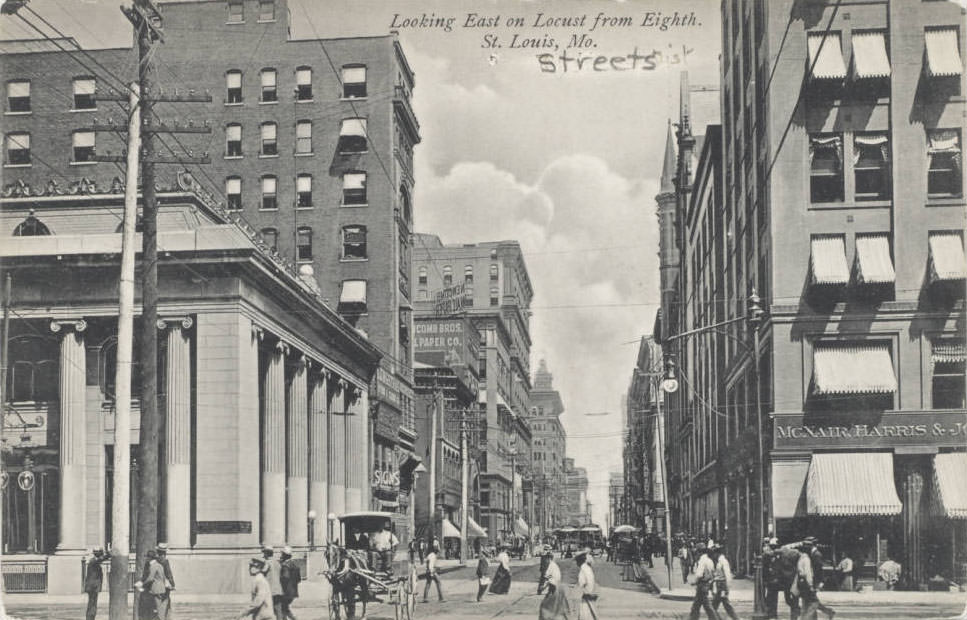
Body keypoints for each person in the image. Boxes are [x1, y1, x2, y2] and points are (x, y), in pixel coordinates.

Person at [802, 538, 835, 620]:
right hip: (813, 580)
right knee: (811, 600)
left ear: (812, 545)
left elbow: (818, 569)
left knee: (812, 600)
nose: (806, 547)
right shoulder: (812, 553)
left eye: (807, 545)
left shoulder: (816, 554)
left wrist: (819, 582)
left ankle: (827, 612)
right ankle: (827, 612)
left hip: (814, 581)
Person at [687, 542, 717, 620]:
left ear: (699, 552)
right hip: (707, 584)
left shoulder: (702, 561)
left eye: (697, 552)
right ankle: (693, 618)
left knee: (706, 606)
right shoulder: (709, 560)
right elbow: (713, 573)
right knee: (696, 605)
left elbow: (699, 574)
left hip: (702, 585)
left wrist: (695, 581)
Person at [539, 547, 569, 620]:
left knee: (545, 607)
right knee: (558, 608)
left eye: (545, 559)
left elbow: (550, 580)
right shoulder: (553, 565)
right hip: (558, 588)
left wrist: (543, 587)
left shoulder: (551, 566)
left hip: (554, 589)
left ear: (549, 558)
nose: (544, 560)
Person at [710, 543, 739, 620]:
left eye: (714, 553)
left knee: (721, 605)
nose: (713, 555)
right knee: (716, 605)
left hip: (722, 586)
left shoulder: (723, 561)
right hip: (719, 585)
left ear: (717, 553)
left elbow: (727, 575)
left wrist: (727, 588)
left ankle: (735, 618)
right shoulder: (718, 561)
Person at [142, 549, 170, 620]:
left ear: (149, 558)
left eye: (147, 557)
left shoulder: (153, 566)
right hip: (161, 589)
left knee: (158, 608)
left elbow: (150, 578)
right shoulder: (159, 565)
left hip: (156, 590)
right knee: (159, 607)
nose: (146, 559)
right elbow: (163, 577)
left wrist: (143, 583)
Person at [84, 547, 111, 620]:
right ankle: (90, 618)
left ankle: (91, 617)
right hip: (93, 587)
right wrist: (109, 553)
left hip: (92, 586)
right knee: (92, 604)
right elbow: (102, 559)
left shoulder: (93, 561)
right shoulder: (94, 561)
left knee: (92, 604)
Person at [261, 544, 284, 620]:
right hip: (278, 589)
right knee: (278, 610)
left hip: (269, 590)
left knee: (265, 609)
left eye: (264, 552)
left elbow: (262, 572)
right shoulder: (277, 563)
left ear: (267, 553)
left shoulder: (267, 563)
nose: (263, 554)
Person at [575, 548, 597, 620]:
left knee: (584, 616)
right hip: (591, 595)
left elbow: (581, 584)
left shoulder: (582, 570)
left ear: (579, 561)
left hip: (586, 597)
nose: (576, 563)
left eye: (576, 560)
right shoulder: (588, 568)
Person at [279, 546, 300, 620]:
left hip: (286, 592)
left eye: (282, 554)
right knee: (285, 608)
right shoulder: (295, 564)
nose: (281, 556)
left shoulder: (286, 565)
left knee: (282, 609)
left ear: (285, 555)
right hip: (293, 592)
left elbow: (285, 577)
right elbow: (299, 579)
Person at [155, 543, 175, 620]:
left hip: (156, 585)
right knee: (165, 601)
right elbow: (168, 573)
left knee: (158, 603)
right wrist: (173, 584)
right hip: (164, 585)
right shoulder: (165, 561)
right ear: (164, 552)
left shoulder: (156, 560)